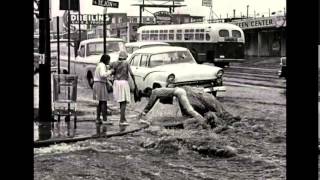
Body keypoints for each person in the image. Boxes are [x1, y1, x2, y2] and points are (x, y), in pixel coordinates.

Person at [137, 86, 240, 128]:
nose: (148, 97)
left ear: (149, 91)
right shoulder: (158, 90)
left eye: (147, 95)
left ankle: (203, 122)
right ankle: (198, 120)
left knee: (189, 110)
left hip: (179, 92)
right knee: (187, 112)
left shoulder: (154, 92)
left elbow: (149, 105)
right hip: (178, 92)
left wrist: (143, 114)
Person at [110, 51, 137, 126]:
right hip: (123, 82)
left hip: (116, 82)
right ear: (125, 57)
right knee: (124, 102)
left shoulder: (114, 63)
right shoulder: (126, 63)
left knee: (121, 101)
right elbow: (131, 73)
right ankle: (121, 120)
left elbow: (110, 70)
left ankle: (123, 117)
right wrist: (135, 83)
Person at [93, 54, 113, 125]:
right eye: (108, 60)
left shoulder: (99, 65)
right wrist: (110, 72)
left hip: (97, 83)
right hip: (100, 84)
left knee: (100, 102)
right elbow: (103, 75)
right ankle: (104, 119)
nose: (109, 62)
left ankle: (98, 118)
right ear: (106, 60)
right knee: (104, 102)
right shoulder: (102, 66)